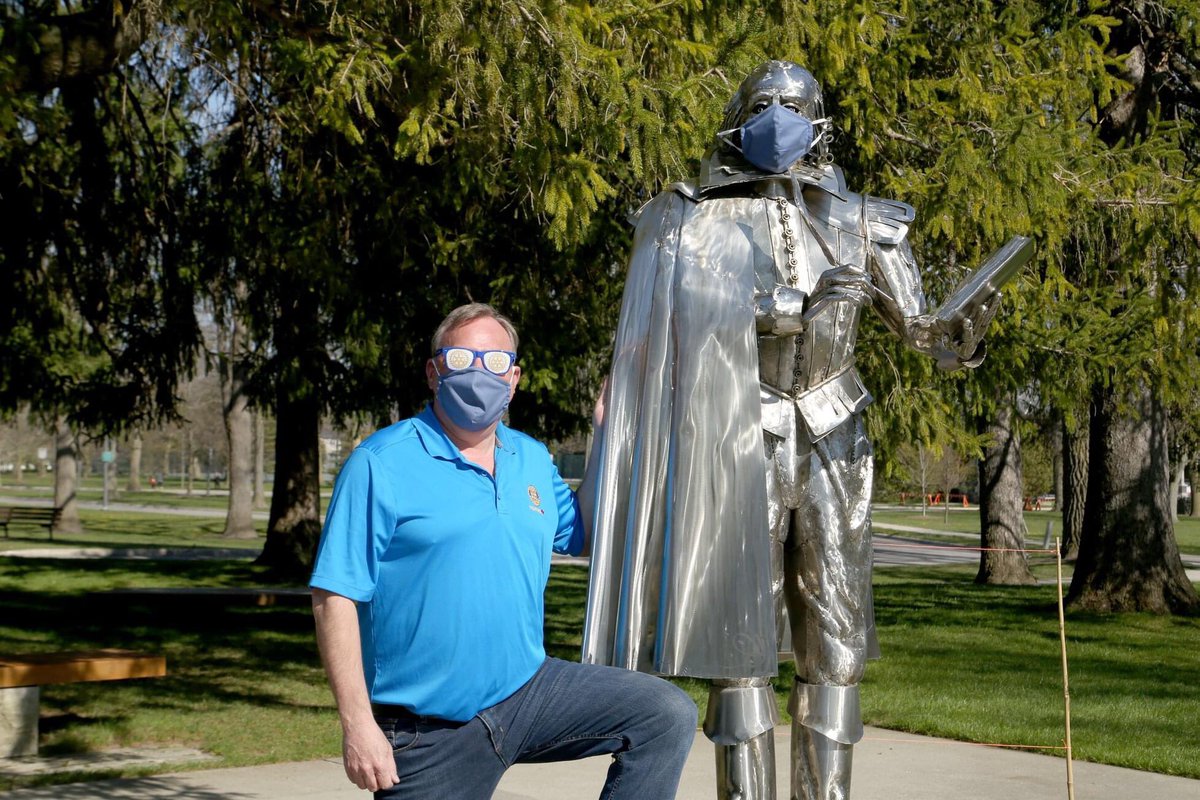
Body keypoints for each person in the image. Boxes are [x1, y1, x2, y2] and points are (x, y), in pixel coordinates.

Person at [581, 61, 1007, 800]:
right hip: (734, 432)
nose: (779, 117)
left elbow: (924, 334)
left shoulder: (865, 219)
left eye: (794, 104)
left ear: (820, 121)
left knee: (834, 631)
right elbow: (670, 329)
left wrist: (964, 331)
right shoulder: (689, 216)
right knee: (738, 637)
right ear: (737, 117)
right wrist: (780, 310)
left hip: (835, 435)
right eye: (763, 103)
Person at [310, 303, 697, 799]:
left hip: (527, 694)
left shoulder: (530, 457)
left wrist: (603, 431)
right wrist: (357, 726)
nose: (478, 373)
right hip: (428, 733)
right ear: (433, 372)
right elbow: (334, 596)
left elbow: (578, 533)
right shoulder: (380, 463)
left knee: (664, 713)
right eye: (460, 359)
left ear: (513, 378)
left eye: (495, 362)